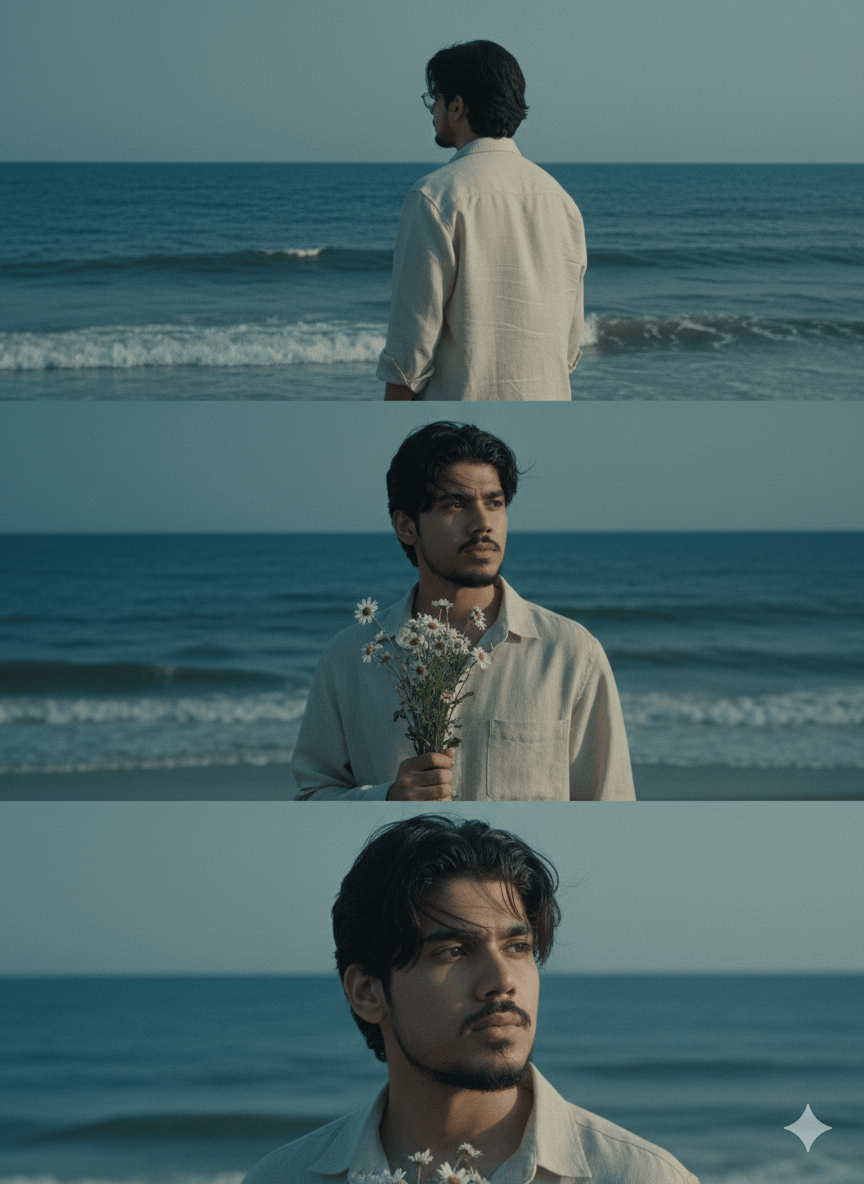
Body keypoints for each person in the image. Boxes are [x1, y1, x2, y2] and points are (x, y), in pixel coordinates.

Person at [242, 816, 699, 1183]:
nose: (501, 981)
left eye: (518, 947)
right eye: (454, 951)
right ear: (367, 992)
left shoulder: (642, 1176)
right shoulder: (282, 1177)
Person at [292, 422, 634, 800]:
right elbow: (314, 794)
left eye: (495, 502)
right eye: (455, 504)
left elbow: (610, 806)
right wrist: (387, 800)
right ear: (406, 526)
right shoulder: (349, 657)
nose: (483, 523)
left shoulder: (571, 653)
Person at [377, 41, 587, 402]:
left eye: (435, 98)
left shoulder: (435, 197)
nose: (432, 111)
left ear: (457, 105)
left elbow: (408, 358)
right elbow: (567, 350)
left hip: (458, 421)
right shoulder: (563, 202)